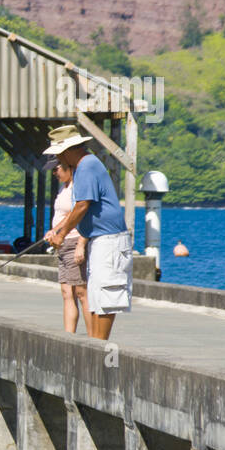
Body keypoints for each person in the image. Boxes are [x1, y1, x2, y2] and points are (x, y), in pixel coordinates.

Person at [43, 125, 132, 340]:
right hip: (98, 239)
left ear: (67, 150)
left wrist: (61, 235)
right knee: (94, 295)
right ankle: (95, 346)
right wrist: (58, 231)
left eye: (58, 154)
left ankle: (99, 348)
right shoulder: (84, 166)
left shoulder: (87, 166)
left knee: (105, 296)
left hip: (109, 239)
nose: (58, 159)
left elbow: (82, 205)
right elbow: (78, 209)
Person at [47, 156, 92, 334]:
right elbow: (63, 216)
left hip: (74, 240)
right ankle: (69, 335)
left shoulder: (77, 187)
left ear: (68, 167)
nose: (54, 173)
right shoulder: (63, 188)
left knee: (81, 292)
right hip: (62, 244)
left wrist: (81, 243)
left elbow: (79, 214)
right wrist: (54, 231)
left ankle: (93, 337)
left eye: (56, 169)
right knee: (66, 292)